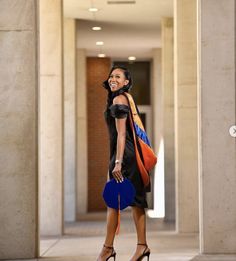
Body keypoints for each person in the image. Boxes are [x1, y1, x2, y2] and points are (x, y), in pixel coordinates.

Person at [96, 66, 151, 261]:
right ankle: (140, 247)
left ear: (126, 82)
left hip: (125, 158)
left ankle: (108, 249)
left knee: (116, 202)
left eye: (117, 77)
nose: (112, 79)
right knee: (135, 203)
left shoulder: (120, 100)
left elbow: (121, 134)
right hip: (127, 157)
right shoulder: (124, 99)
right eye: (111, 75)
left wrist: (117, 162)